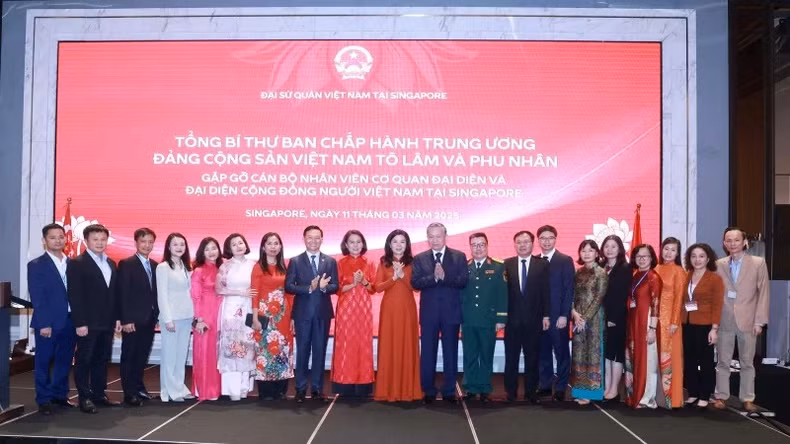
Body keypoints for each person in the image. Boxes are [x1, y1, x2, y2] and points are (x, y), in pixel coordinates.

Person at [712, 227, 770, 412]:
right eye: (728, 240)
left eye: (736, 240)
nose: (732, 243)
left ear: (744, 242)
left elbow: (764, 294)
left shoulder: (758, 263)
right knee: (723, 362)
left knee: (747, 362)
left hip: (748, 321)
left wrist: (759, 321)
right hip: (724, 320)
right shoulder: (718, 264)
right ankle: (721, 396)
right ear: (724, 243)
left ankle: (747, 398)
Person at [411, 222, 469, 404]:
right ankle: (427, 389)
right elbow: (415, 283)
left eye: (438, 236)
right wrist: (434, 278)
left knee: (450, 352)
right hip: (429, 314)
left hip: (451, 313)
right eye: (431, 236)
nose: (435, 240)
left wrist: (445, 277)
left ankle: (449, 390)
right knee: (427, 353)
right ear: (427, 238)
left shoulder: (459, 257)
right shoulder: (419, 258)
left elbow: (463, 281)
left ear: (445, 237)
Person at [67, 223, 121, 413]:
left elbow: (113, 294)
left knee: (102, 359)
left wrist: (117, 318)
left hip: (107, 322)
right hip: (87, 323)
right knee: (84, 360)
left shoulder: (111, 263)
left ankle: (99, 394)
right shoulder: (77, 263)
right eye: (95, 239)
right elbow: (75, 295)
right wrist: (79, 322)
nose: (99, 243)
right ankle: (84, 397)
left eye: (102, 239)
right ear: (87, 241)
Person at [285, 225, 339, 403]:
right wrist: (309, 288)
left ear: (322, 240)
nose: (314, 241)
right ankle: (300, 389)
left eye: (317, 238)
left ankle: (316, 389)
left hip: (322, 314)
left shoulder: (330, 261)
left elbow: (335, 286)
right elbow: (289, 286)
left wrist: (324, 288)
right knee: (302, 352)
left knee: (319, 352)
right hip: (302, 314)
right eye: (310, 237)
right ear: (304, 239)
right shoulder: (295, 261)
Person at [28, 223, 76, 415]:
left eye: (61, 237)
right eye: (52, 237)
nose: (58, 240)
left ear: (66, 239)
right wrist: (44, 323)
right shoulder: (36, 265)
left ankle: (59, 395)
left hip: (71, 320)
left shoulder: (72, 264)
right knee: (43, 361)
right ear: (44, 241)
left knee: (65, 360)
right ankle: (44, 399)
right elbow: (37, 297)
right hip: (48, 322)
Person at [373, 229, 422, 402]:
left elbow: (416, 287)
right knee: (389, 346)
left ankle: (408, 390)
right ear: (389, 244)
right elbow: (377, 287)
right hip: (389, 311)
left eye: (402, 241)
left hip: (407, 310)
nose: (399, 245)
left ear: (407, 244)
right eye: (395, 241)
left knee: (407, 345)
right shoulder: (384, 262)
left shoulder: (413, 262)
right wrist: (394, 278)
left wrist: (403, 277)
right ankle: (388, 391)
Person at [503, 231, 550, 404]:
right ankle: (511, 393)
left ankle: (531, 393)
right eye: (519, 242)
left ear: (532, 244)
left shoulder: (542, 265)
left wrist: (546, 315)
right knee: (511, 359)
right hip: (512, 321)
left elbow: (546, 292)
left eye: (526, 242)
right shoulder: (506, 264)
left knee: (532, 358)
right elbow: (502, 294)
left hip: (534, 321)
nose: (522, 245)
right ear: (514, 244)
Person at [460, 232, 507, 403]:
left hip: (489, 320)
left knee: (486, 355)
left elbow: (502, 294)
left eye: (481, 244)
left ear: (487, 246)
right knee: (470, 355)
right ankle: (471, 388)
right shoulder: (464, 266)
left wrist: (501, 319)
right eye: (474, 245)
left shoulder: (498, 266)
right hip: (468, 319)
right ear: (470, 247)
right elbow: (459, 294)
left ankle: (485, 388)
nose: (478, 248)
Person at [331, 230, 376, 397]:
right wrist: (353, 284)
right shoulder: (340, 263)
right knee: (346, 344)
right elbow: (336, 289)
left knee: (363, 344)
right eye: (352, 242)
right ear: (346, 244)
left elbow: (373, 289)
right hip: (346, 310)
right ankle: (344, 383)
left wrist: (363, 281)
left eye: (358, 242)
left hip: (363, 310)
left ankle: (364, 383)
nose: (355, 245)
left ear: (363, 244)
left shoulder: (369, 263)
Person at [117, 228, 159, 407]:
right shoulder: (127, 264)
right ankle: (129, 393)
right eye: (143, 241)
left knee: (142, 356)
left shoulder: (156, 265)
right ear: (136, 243)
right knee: (130, 356)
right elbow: (123, 293)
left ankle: (139, 388)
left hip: (149, 319)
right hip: (132, 320)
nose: (147, 245)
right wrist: (125, 319)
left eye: (150, 242)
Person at [251, 232, 295, 401]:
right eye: (269, 243)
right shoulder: (258, 267)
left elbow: (290, 293)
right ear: (263, 247)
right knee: (265, 350)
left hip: (283, 315)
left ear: (280, 246)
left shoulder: (285, 266)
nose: (273, 246)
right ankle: (266, 391)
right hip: (264, 315)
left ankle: (281, 390)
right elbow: (254, 293)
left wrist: (292, 317)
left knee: (283, 350)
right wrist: (255, 317)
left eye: (276, 243)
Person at [682, 243, 724, 409]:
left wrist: (714, 329)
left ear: (708, 258)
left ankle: (705, 395)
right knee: (690, 361)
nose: (697, 259)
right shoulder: (687, 276)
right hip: (687, 324)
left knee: (706, 362)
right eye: (693, 256)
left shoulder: (715, 279)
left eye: (701, 256)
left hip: (705, 325)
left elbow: (717, 305)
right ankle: (693, 392)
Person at [216, 233, 257, 401]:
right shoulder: (225, 267)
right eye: (234, 244)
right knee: (232, 348)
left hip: (248, 308)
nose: (239, 246)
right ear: (229, 248)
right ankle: (232, 389)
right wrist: (239, 292)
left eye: (241, 243)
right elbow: (219, 289)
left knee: (247, 346)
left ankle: (244, 388)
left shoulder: (254, 265)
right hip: (231, 310)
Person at [536, 225, 574, 401]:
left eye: (550, 237)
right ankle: (545, 385)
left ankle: (560, 387)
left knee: (561, 353)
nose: (546, 241)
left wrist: (564, 315)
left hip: (558, 316)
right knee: (542, 353)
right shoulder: (534, 260)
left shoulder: (565, 260)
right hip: (539, 318)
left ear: (555, 239)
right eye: (543, 238)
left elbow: (568, 290)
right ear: (538, 240)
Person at [157, 232, 194, 402]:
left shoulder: (187, 267)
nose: (179, 247)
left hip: (186, 316)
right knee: (169, 356)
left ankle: (179, 387)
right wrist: (167, 319)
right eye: (175, 244)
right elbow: (162, 295)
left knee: (181, 356)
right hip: (171, 318)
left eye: (182, 244)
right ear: (168, 247)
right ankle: (169, 391)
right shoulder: (163, 267)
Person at [569, 240, 608, 405]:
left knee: (593, 355)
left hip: (594, 319)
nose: (586, 254)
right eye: (583, 251)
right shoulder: (578, 273)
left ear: (597, 253)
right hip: (577, 319)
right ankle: (579, 390)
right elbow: (571, 295)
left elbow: (599, 298)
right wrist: (574, 314)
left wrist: (584, 318)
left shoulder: (601, 273)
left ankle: (592, 392)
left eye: (590, 250)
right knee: (578, 355)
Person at [624, 244, 662, 409]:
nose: (641, 259)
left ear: (652, 258)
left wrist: (652, 328)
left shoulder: (653, 277)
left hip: (646, 323)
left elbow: (655, 304)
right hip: (633, 322)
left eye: (645, 256)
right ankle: (634, 395)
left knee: (648, 360)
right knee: (635, 358)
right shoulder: (636, 275)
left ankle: (647, 398)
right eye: (638, 256)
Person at [190, 237, 223, 401]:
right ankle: (205, 389)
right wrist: (198, 319)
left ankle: (218, 388)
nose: (212, 252)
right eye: (208, 249)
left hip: (221, 314)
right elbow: (195, 296)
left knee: (218, 353)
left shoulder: (222, 268)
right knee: (205, 353)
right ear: (202, 252)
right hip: (205, 315)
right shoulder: (199, 271)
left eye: (214, 248)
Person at [655, 237, 685, 408]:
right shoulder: (656, 268)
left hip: (670, 323)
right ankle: (658, 396)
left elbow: (679, 298)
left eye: (673, 250)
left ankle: (672, 399)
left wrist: (674, 321)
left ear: (678, 253)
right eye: (666, 249)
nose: (669, 253)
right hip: (655, 320)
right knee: (656, 357)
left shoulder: (679, 271)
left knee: (670, 358)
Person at [600, 235, 631, 401]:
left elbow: (621, 296)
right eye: (606, 246)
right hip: (601, 318)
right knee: (606, 355)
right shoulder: (602, 267)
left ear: (620, 248)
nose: (609, 249)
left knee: (616, 354)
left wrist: (613, 318)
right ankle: (607, 387)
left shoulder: (624, 268)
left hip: (616, 318)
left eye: (613, 246)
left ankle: (614, 389)